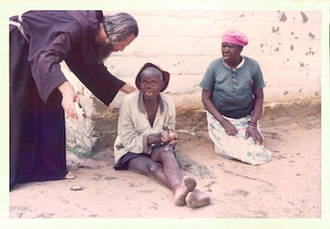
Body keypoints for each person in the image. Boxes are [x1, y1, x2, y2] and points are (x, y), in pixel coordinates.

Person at [10, 11, 138, 190]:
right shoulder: (77, 27)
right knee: (20, 107)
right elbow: (46, 56)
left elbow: (92, 69)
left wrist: (133, 90)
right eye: (124, 44)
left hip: (39, 55)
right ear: (116, 36)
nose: (122, 49)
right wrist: (66, 89)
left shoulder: (90, 31)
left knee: (50, 104)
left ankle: (47, 169)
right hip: (19, 46)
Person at [114, 63, 210, 208]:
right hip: (129, 150)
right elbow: (127, 139)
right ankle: (191, 191)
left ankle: (180, 191)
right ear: (139, 84)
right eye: (144, 82)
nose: (148, 86)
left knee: (167, 152)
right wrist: (156, 137)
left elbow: (170, 131)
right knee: (152, 167)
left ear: (162, 85)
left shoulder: (168, 103)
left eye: (153, 83)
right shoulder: (128, 102)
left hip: (156, 147)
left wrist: (170, 142)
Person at [199, 29, 272, 165]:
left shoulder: (253, 66)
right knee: (228, 150)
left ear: (240, 49)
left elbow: (259, 97)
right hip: (220, 118)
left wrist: (252, 124)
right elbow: (205, 98)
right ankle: (222, 144)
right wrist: (223, 122)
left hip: (245, 119)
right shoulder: (214, 66)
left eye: (230, 46)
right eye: (223, 46)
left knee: (256, 148)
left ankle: (233, 142)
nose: (225, 50)